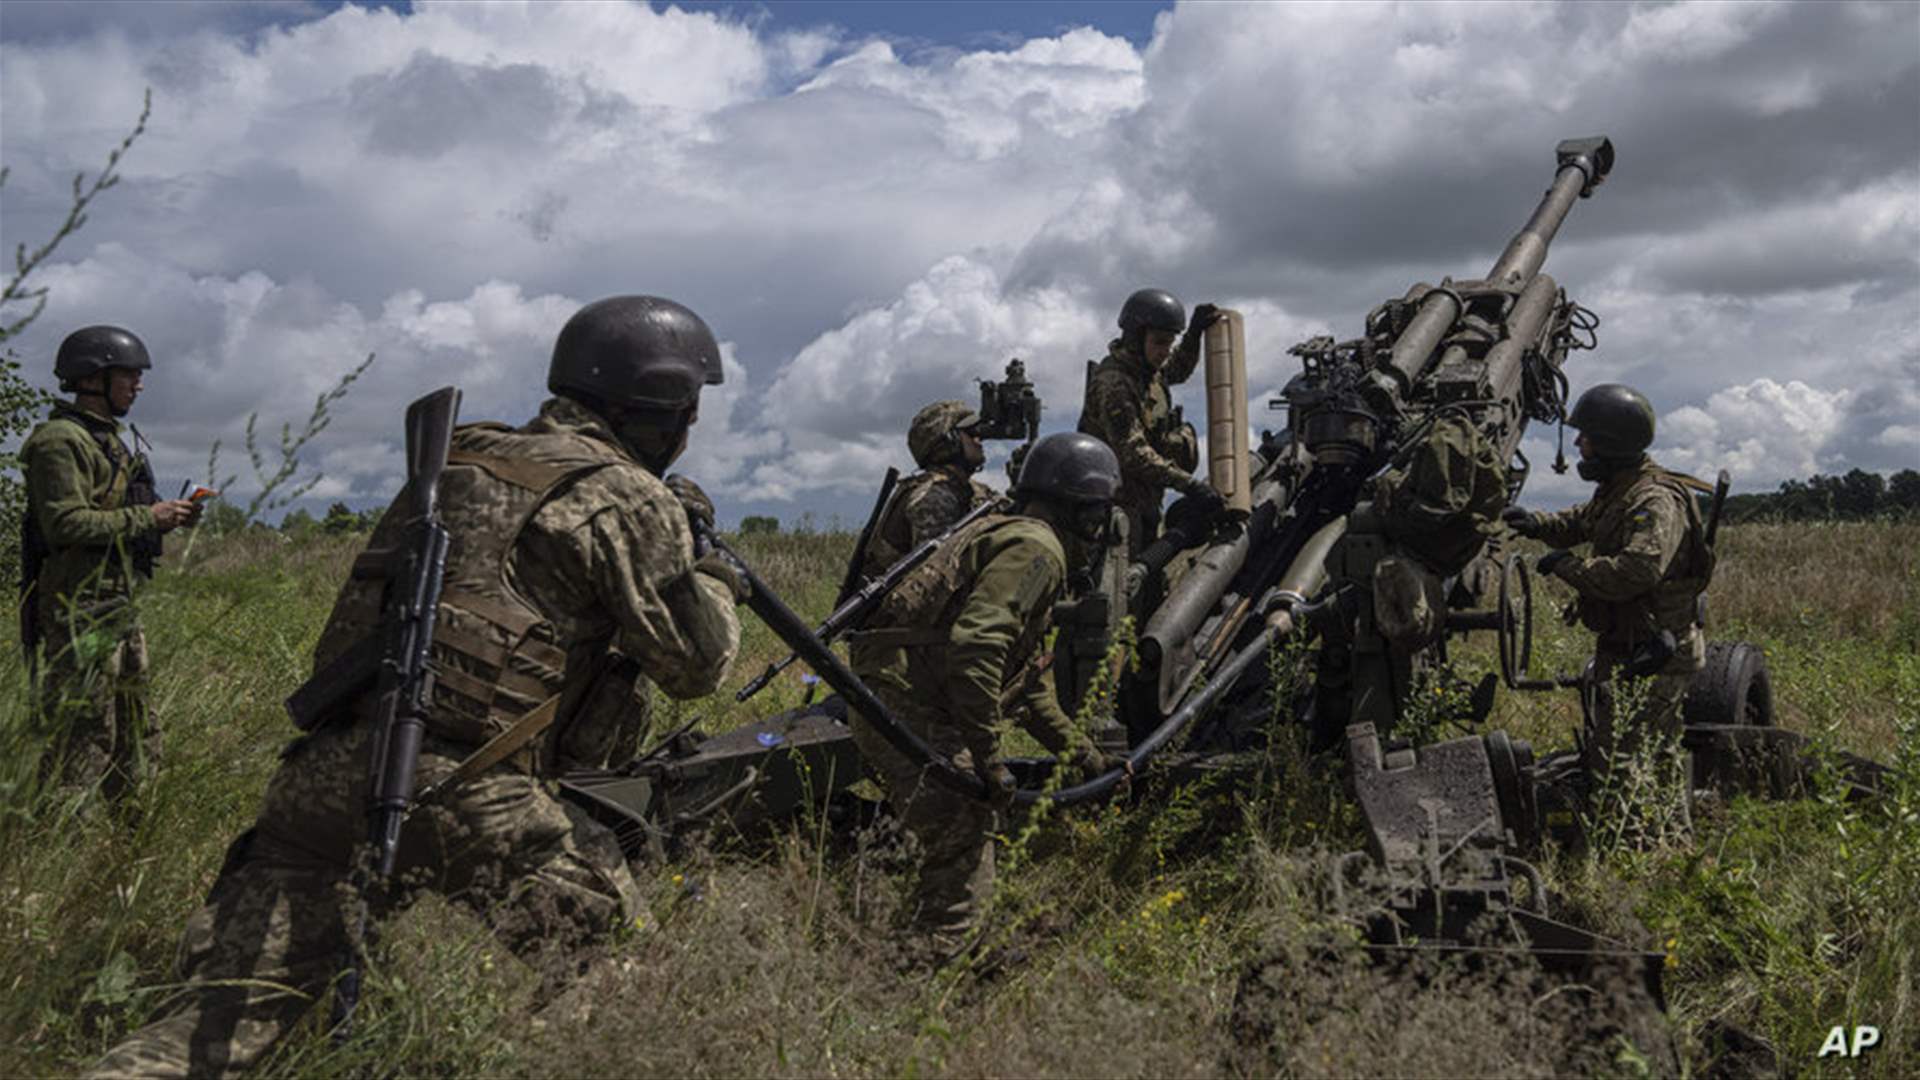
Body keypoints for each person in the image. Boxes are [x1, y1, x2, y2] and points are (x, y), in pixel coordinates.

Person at [89, 296, 749, 1077]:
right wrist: (715, 579)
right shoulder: (623, 494)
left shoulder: (458, 460)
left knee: (217, 1022)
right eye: (689, 413)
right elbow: (697, 668)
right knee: (625, 984)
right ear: (661, 408)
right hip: (469, 787)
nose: (688, 432)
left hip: (321, 776)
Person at [846, 431, 1126, 962]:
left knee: (958, 829)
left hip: (893, 691)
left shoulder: (1013, 535)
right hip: (908, 699)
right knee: (964, 824)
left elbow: (1030, 688)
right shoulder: (1036, 550)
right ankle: (930, 968)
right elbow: (977, 647)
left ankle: (949, 946)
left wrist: (1088, 758)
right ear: (1085, 513)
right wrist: (988, 759)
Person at [20, 325, 202, 804]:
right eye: (129, 375)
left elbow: (116, 514)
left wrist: (170, 516)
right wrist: (148, 516)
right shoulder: (60, 441)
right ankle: (62, 849)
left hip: (118, 605)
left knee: (136, 727)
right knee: (83, 731)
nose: (138, 386)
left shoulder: (111, 441)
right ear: (93, 376)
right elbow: (64, 524)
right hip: (81, 612)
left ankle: (130, 835)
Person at [1503, 384, 1714, 783]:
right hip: (1630, 646)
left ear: (1612, 444)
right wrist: (1534, 523)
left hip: (1655, 652)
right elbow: (1583, 521)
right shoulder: (1621, 489)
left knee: (1620, 763)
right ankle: (1668, 838)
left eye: (1587, 436)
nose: (1579, 443)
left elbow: (1635, 572)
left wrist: (1567, 567)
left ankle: (1634, 841)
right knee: (1654, 754)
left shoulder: (1653, 500)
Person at [1076, 288, 1224, 556]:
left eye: (1169, 343)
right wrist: (1189, 484)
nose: (1165, 352)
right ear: (1135, 337)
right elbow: (1133, 453)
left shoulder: (1147, 372)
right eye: (1159, 342)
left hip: (1143, 501)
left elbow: (1177, 368)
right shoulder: (1114, 384)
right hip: (1114, 509)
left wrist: (1194, 333)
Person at [858, 399, 998, 582]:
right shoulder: (933, 498)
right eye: (971, 433)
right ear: (948, 441)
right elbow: (933, 578)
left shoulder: (968, 490)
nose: (979, 440)